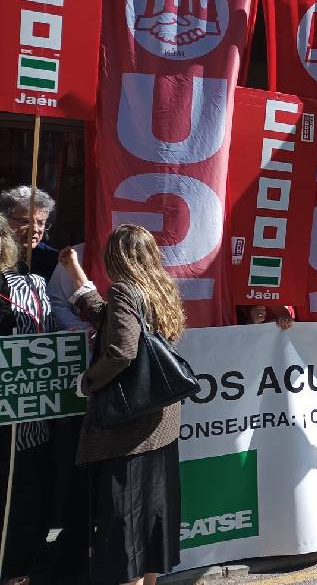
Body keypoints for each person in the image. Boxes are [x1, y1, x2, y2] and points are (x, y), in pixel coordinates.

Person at [58, 225, 188, 583]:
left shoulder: (124, 290)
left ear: (116, 257)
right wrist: (76, 274)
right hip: (159, 423)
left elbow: (122, 349)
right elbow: (112, 320)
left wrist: (87, 383)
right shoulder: (160, 287)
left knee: (124, 528)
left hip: (128, 429)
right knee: (152, 519)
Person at [0, 218, 57, 583]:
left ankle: (20, 562)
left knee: (26, 489)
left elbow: (48, 335)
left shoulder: (36, 283)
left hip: (31, 411)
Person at [0, 185, 58, 281]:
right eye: (26, 221)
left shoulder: (52, 259)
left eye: (41, 223)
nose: (35, 229)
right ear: (5, 219)